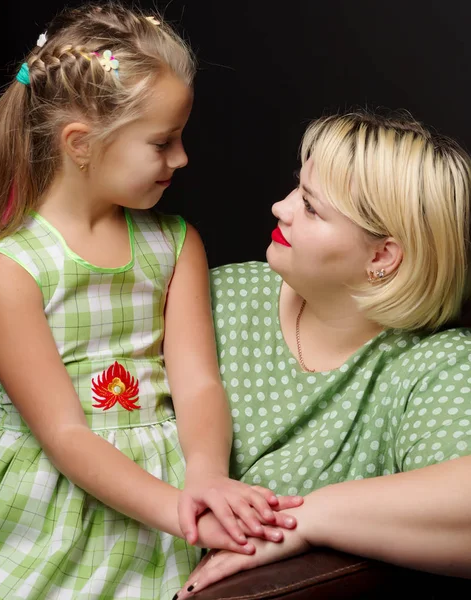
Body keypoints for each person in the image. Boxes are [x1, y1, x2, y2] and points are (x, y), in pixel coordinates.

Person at [0, 4, 302, 599]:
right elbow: (64, 434)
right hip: (57, 494)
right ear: (81, 144)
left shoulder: (175, 245)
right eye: (163, 142)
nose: (182, 159)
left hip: (172, 480)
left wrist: (206, 476)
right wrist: (179, 511)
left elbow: (198, 385)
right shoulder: (13, 268)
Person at [178, 110, 471, 596]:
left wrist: (307, 520)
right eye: (298, 188)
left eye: (312, 208)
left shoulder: (431, 366)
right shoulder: (215, 295)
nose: (280, 207)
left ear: (382, 256)